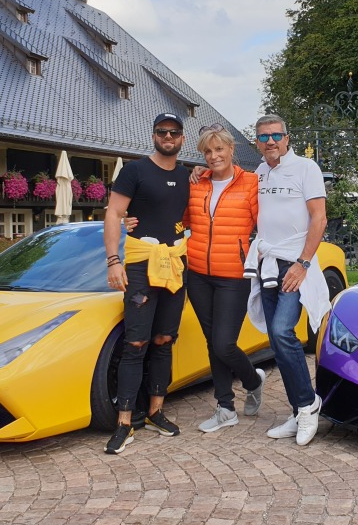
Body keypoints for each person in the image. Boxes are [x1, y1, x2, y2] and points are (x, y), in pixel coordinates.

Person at [126, 123, 266, 433]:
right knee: (211, 342)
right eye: (208, 151)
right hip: (199, 274)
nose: (214, 156)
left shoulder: (251, 183)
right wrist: (131, 218)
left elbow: (266, 225)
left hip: (234, 275)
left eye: (219, 149)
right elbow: (175, 219)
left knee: (223, 343)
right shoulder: (197, 183)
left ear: (231, 150)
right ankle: (225, 407)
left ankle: (253, 380)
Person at [101, 112, 192, 455]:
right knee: (136, 342)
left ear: (182, 138)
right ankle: (124, 422)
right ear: (153, 135)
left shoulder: (186, 175)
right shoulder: (134, 171)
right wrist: (113, 260)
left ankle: (155, 411)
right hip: (140, 263)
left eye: (174, 132)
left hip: (175, 262)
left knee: (164, 340)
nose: (168, 137)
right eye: (162, 131)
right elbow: (114, 213)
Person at [246, 113, 331, 446]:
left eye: (276, 135)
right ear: (257, 142)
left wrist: (303, 263)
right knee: (275, 339)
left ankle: (309, 404)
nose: (270, 141)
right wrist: (200, 172)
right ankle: (299, 410)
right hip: (267, 263)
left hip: (294, 263)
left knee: (283, 331)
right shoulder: (258, 172)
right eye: (263, 137)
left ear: (287, 138)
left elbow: (319, 218)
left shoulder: (306, 168)